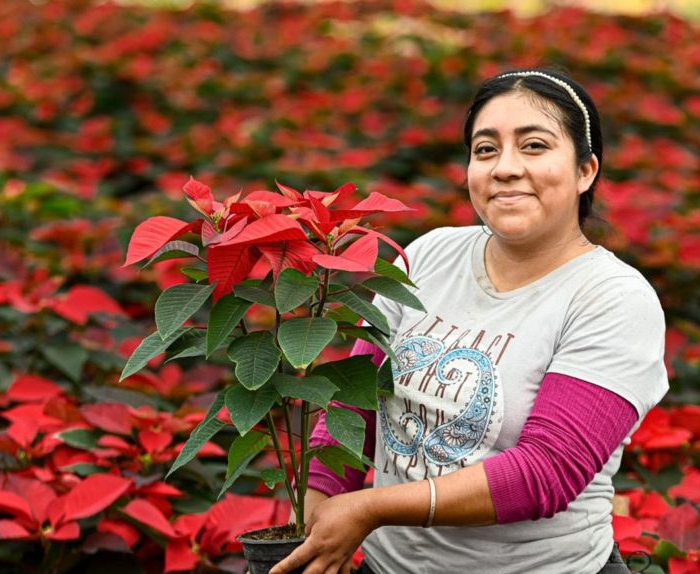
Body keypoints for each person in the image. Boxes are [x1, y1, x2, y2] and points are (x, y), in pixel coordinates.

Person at [269, 68, 669, 574]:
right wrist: (315, 509)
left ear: (585, 170)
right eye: (485, 149)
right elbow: (356, 398)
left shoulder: (614, 298)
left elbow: (546, 473)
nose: (505, 168)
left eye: (534, 146)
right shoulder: (429, 254)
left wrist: (370, 508)